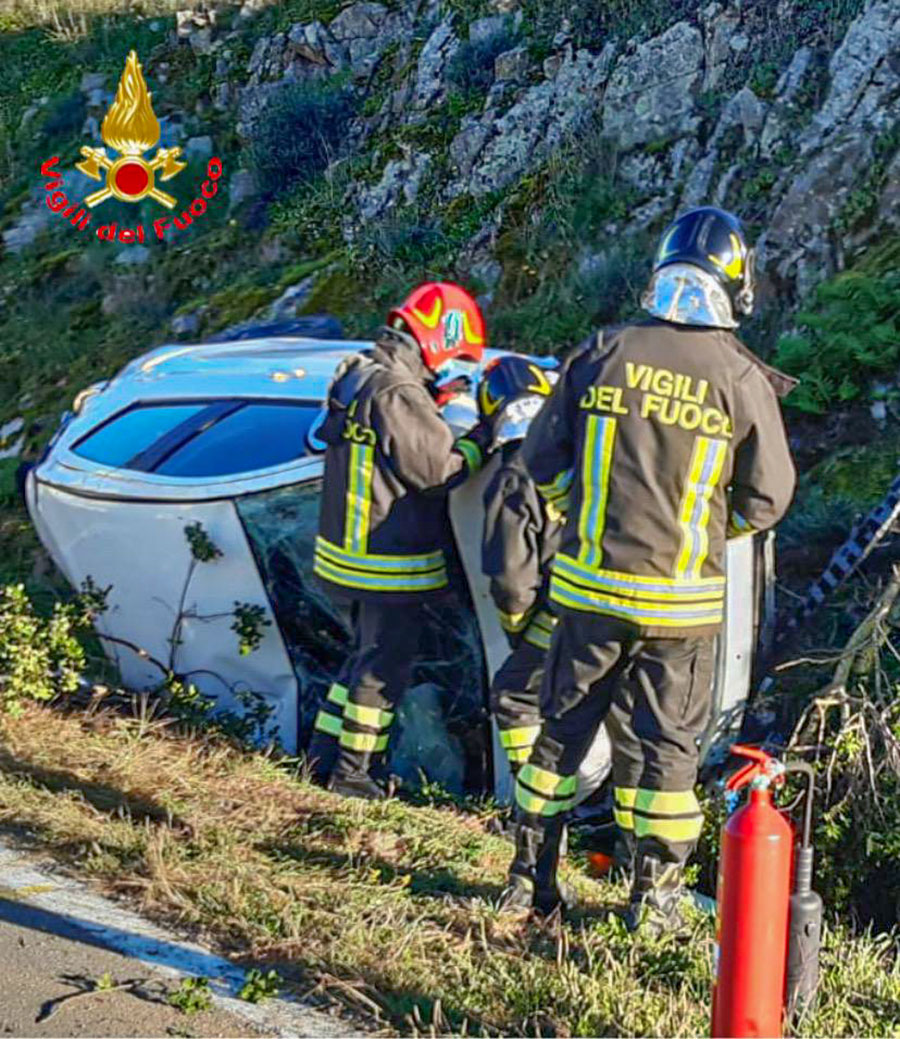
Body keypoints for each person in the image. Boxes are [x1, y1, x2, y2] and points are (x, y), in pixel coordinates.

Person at [504, 206, 797, 931]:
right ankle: (655, 900)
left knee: (559, 737)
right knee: (666, 752)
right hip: (681, 607)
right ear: (736, 286)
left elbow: (537, 464)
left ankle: (528, 883)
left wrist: (587, 517)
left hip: (589, 594)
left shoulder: (602, 351)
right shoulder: (739, 376)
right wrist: (703, 527)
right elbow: (767, 499)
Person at [307, 282, 495, 799]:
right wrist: (484, 436)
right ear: (440, 339)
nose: (448, 371)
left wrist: (431, 403)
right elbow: (439, 470)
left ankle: (321, 760)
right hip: (386, 561)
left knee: (357, 663)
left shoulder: (360, 371)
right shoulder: (399, 393)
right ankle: (353, 776)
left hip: (345, 556)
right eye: (453, 358)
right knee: (382, 673)